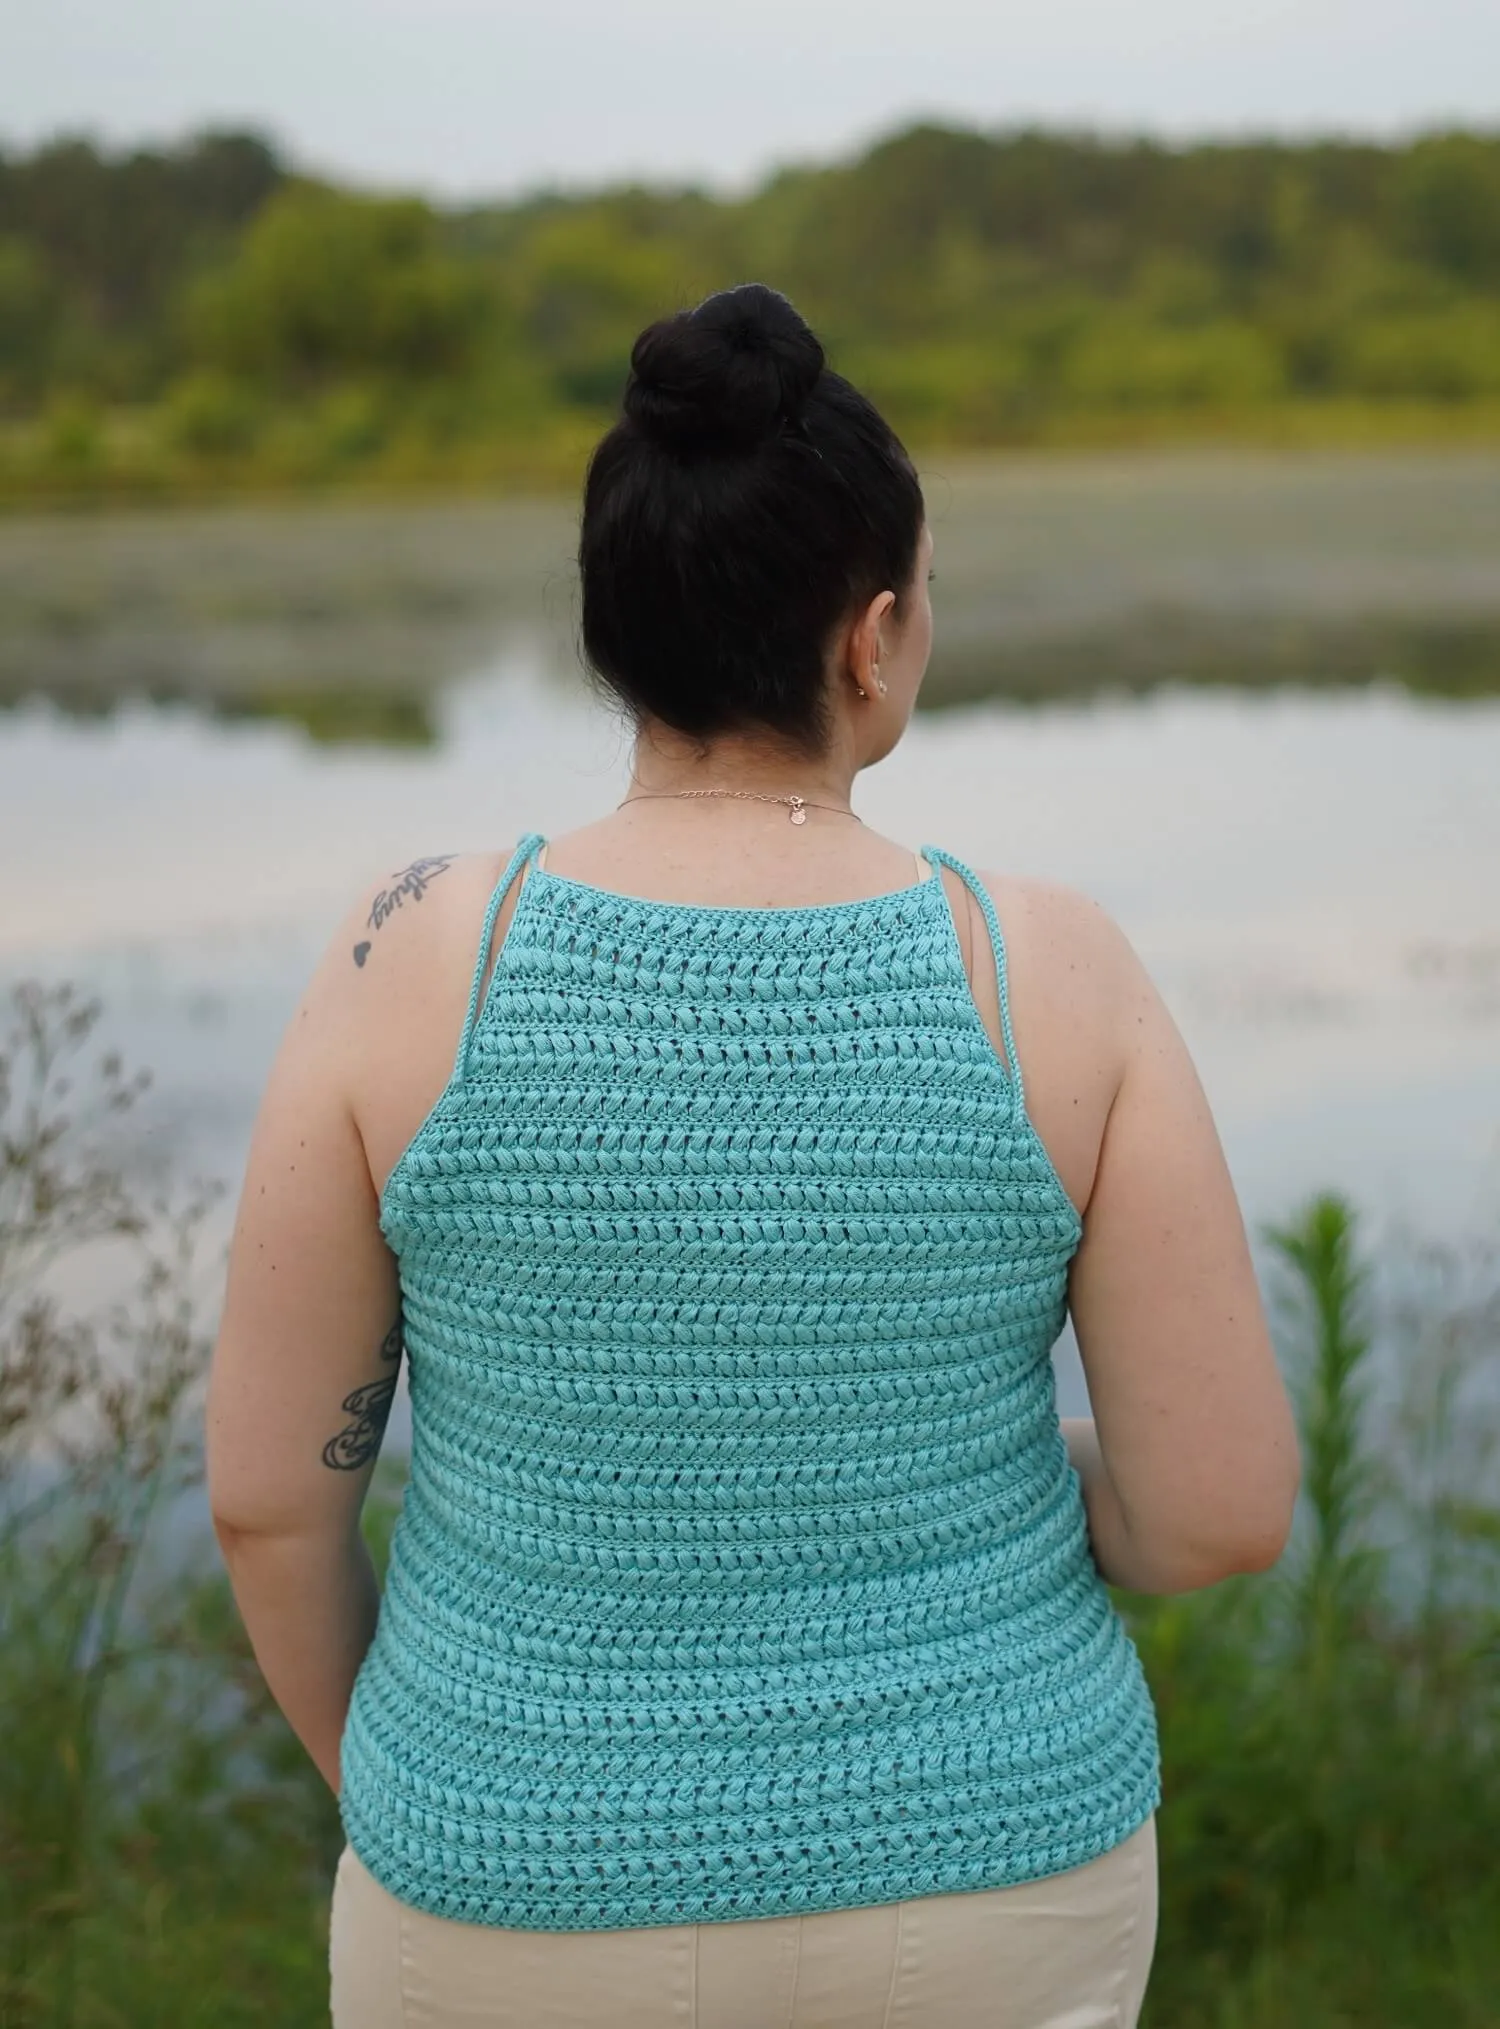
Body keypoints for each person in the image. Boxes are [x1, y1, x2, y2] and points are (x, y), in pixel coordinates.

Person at [205, 283, 1300, 2028]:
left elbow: (271, 1499)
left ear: (615, 627)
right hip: (998, 1866)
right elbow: (1219, 1517)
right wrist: (1009, 1467)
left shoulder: (402, 952)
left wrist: (428, 1793)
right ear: (869, 637)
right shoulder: (1051, 969)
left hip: (496, 1878)